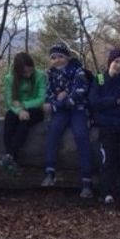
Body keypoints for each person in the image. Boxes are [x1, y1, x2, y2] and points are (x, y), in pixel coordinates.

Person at [41, 42, 93, 199]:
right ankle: (50, 171)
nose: (57, 60)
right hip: (61, 111)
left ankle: (86, 180)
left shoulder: (78, 71)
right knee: (53, 132)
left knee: (81, 136)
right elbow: (49, 94)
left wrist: (61, 101)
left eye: (60, 57)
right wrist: (56, 101)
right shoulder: (50, 74)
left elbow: (79, 92)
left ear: (68, 57)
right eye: (53, 57)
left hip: (78, 109)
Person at [88, 48, 120, 213]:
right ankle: (107, 195)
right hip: (106, 127)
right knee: (107, 159)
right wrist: (115, 101)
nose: (119, 65)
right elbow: (94, 103)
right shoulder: (100, 79)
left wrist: (107, 109)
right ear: (110, 61)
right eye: (116, 62)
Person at [0, 52, 46, 171]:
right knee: (9, 119)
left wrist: (24, 105)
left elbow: (42, 98)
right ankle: (10, 158)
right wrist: (19, 111)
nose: (28, 74)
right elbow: (9, 100)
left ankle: (10, 156)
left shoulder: (40, 76)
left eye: (30, 71)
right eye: (25, 72)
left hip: (35, 108)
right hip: (17, 109)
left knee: (25, 122)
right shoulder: (10, 78)